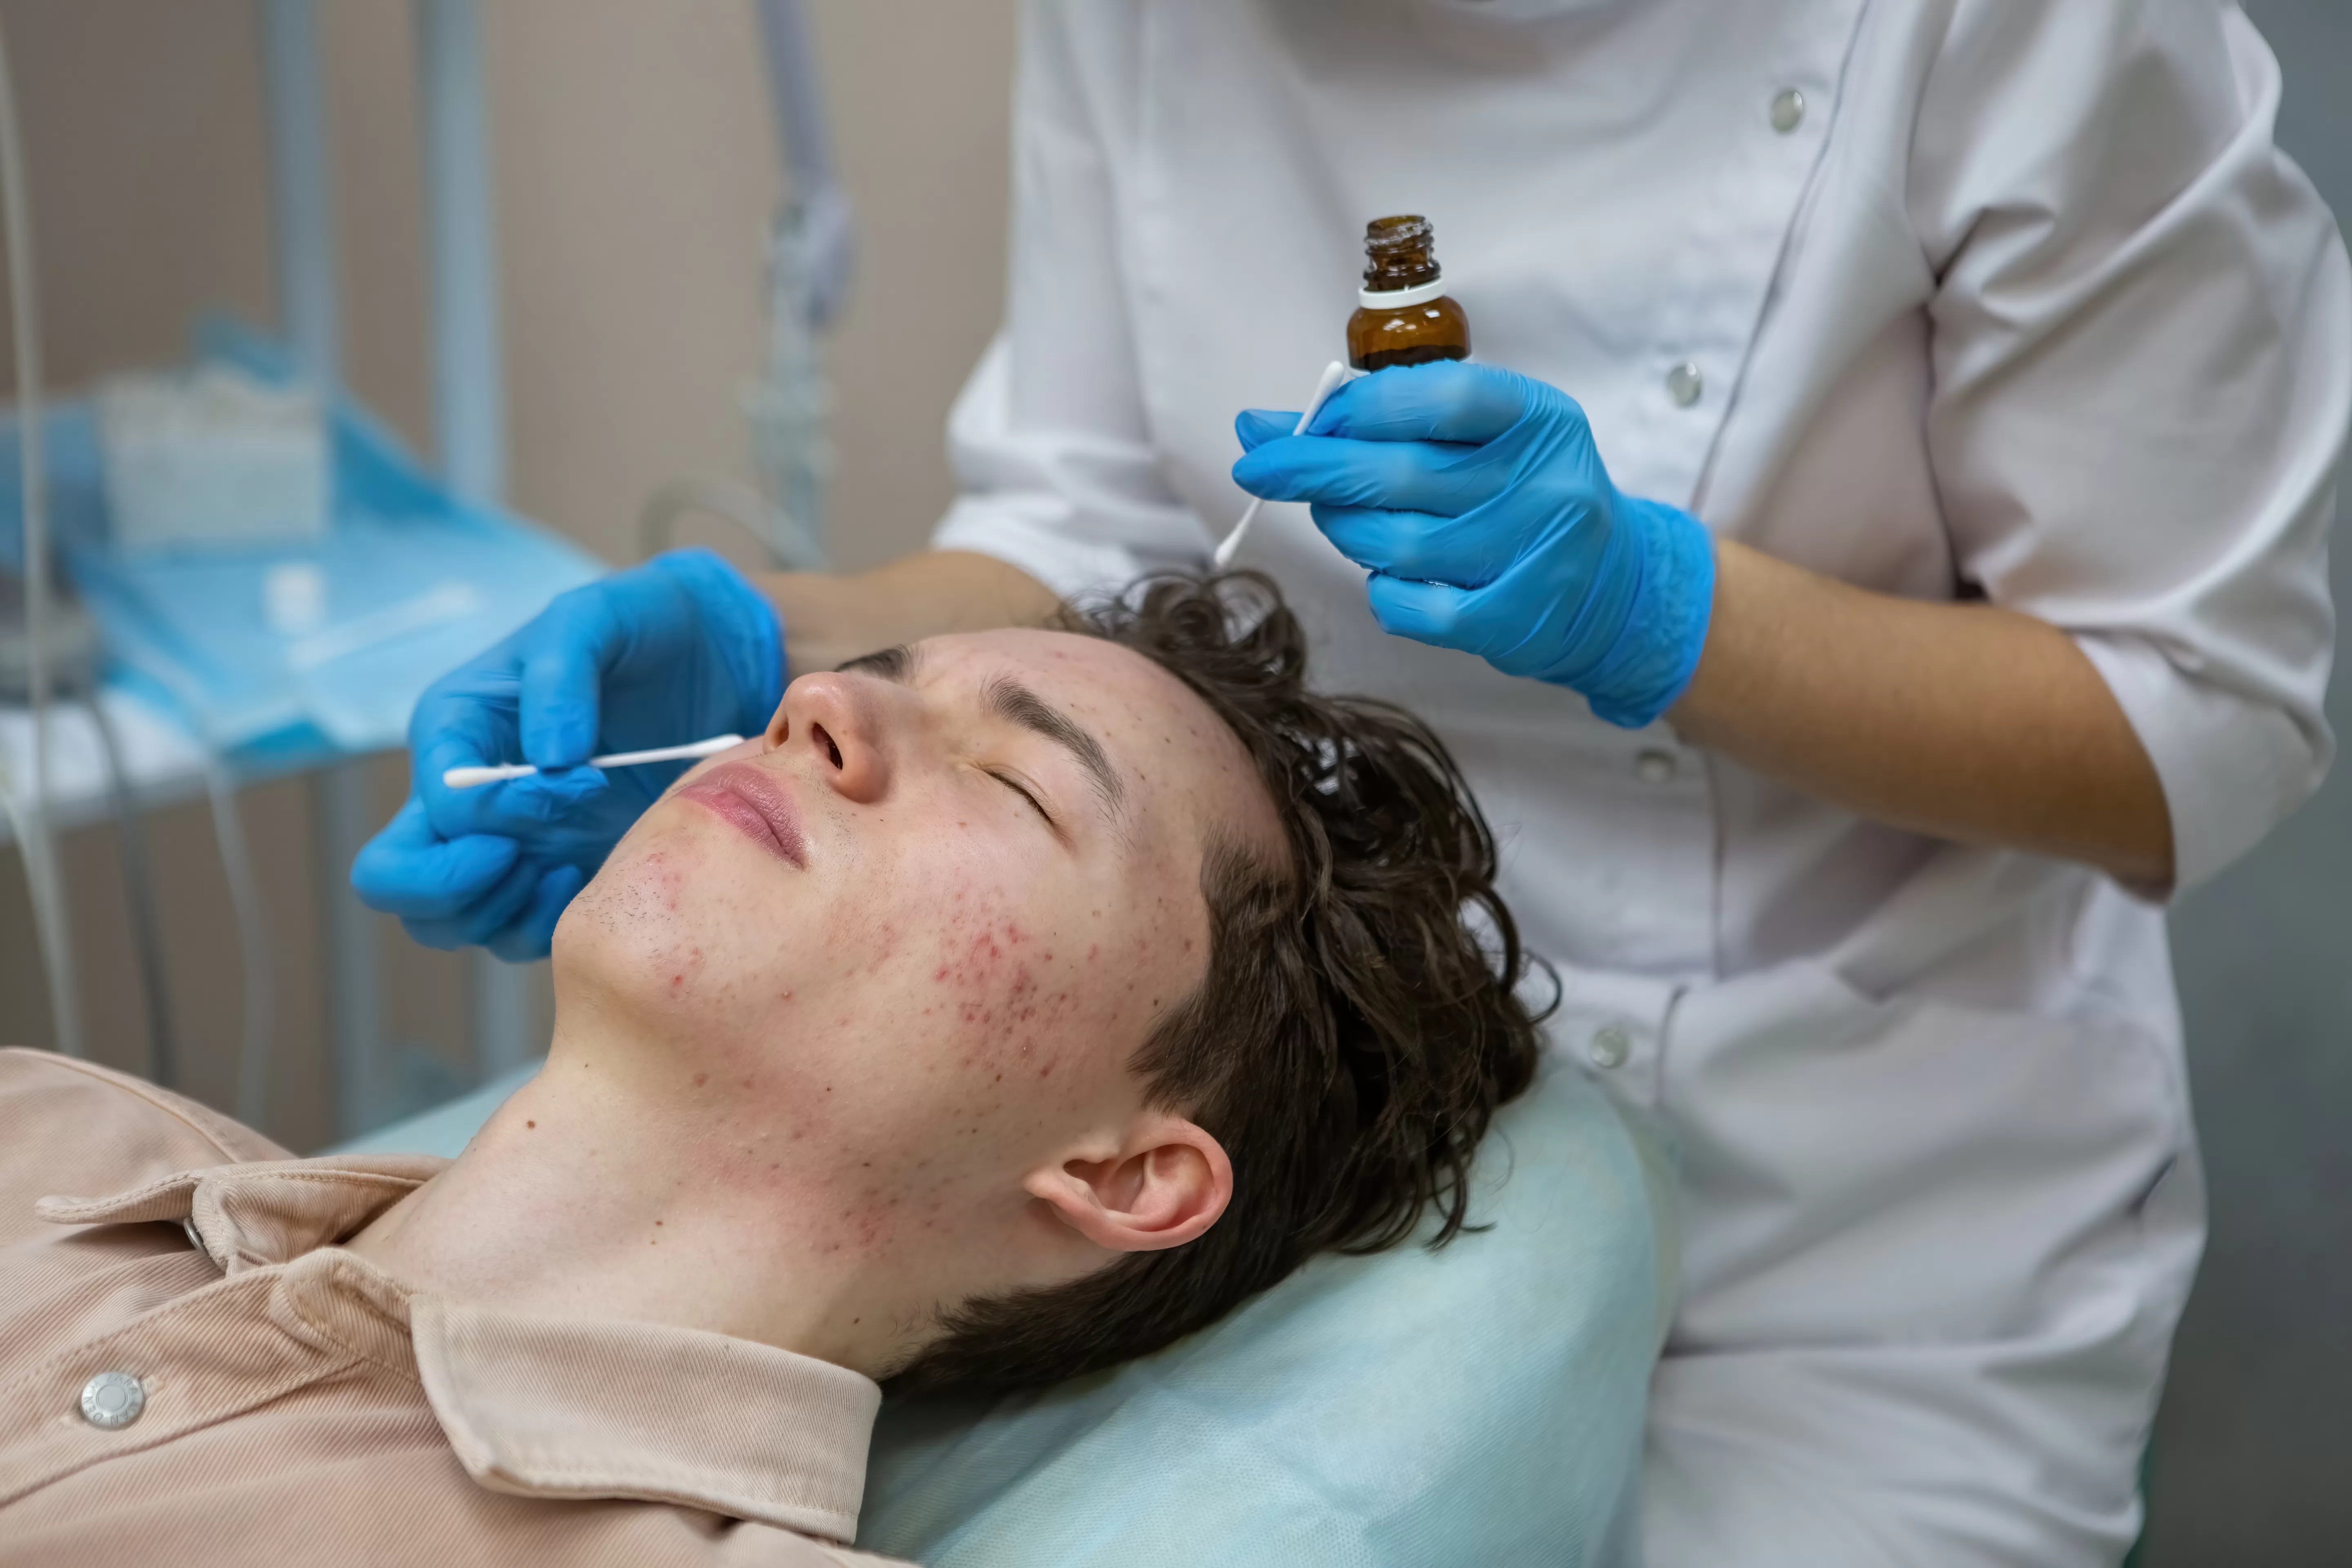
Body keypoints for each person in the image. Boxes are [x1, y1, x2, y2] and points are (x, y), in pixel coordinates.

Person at [357, 2, 2350, 1561]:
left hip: (1865, 1204)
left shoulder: (2033, 27)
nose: (834, 721)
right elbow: (1099, 516)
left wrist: (1666, 609)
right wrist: (774, 639)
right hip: (1276, 1134)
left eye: (1020, 780)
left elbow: (2207, 715)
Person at [0, 577, 1544, 1567]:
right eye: (871, 676)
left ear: (1121, 1170)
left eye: (1015, 780)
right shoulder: (38, 1124)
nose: (821, 706)